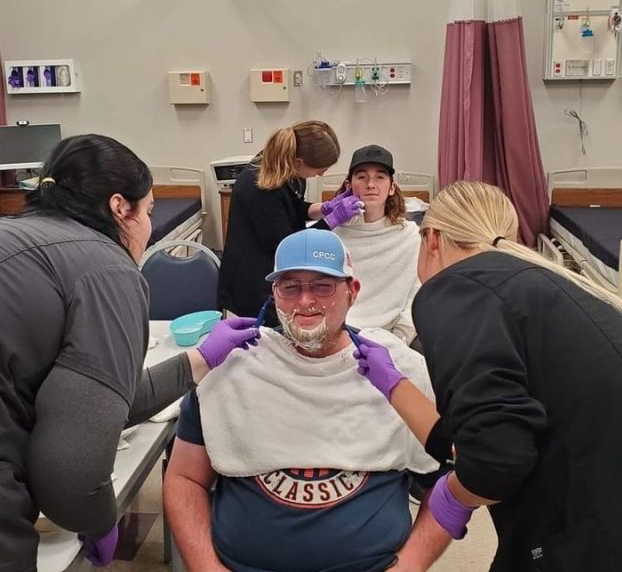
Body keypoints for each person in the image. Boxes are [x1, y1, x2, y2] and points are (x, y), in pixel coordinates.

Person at [0, 134, 259, 572]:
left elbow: (103, 397)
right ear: (121, 208)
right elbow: (73, 465)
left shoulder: (17, 238)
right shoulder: (105, 267)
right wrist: (98, 519)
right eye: (150, 212)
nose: (147, 226)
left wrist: (202, 359)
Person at [354, 180, 622, 572]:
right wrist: (394, 384)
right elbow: (474, 437)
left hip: (592, 535)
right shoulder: (548, 286)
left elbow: (496, 461)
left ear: (432, 239)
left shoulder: (457, 289)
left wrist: (451, 498)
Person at [164, 229, 441, 572]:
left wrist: (410, 565)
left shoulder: (399, 373)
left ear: (352, 292)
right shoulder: (230, 370)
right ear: (274, 294)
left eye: (322, 286)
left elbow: (447, 487)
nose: (305, 301)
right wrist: (207, 568)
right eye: (290, 287)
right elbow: (184, 478)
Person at [218, 120, 363, 327]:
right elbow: (290, 245)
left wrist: (324, 207)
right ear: (298, 161)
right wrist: (332, 220)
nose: (322, 174)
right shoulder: (258, 186)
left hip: (270, 265)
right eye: (320, 169)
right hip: (251, 282)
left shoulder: (288, 169)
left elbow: (291, 206)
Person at [331, 144, 421, 345]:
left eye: (380, 177)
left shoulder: (410, 236)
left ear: (391, 188)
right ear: (348, 186)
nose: (371, 184)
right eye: (362, 177)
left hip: (393, 336)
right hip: (338, 334)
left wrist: (399, 340)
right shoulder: (332, 236)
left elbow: (416, 296)